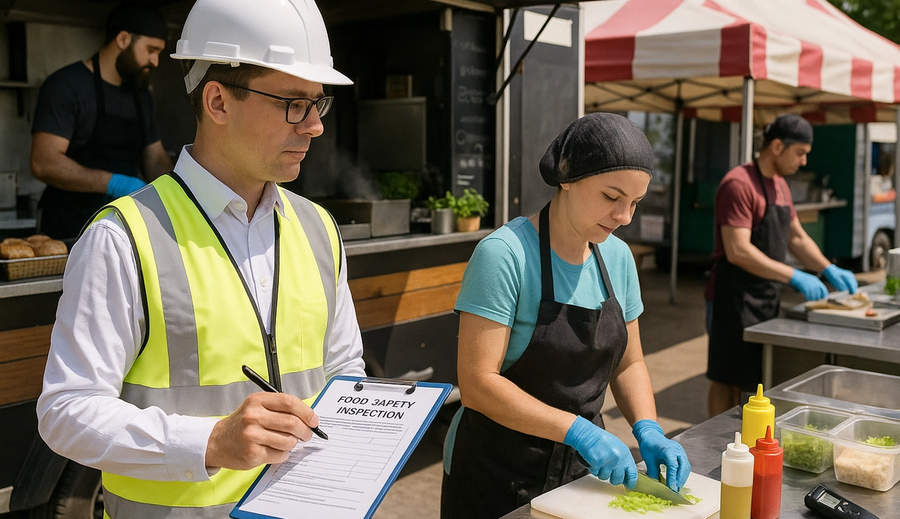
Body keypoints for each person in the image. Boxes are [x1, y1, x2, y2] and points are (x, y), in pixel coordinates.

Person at [37, 0, 364, 516]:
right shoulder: (123, 237)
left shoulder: (318, 228)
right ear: (217, 101)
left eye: (317, 104)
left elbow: (345, 372)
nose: (314, 126)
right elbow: (66, 411)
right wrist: (210, 442)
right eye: (293, 104)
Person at [441, 113, 691, 519]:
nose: (625, 217)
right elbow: (477, 384)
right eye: (611, 197)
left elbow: (629, 363)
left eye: (635, 203)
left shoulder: (618, 258)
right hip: (495, 474)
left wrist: (648, 427)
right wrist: (577, 430)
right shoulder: (504, 255)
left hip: (582, 474)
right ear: (567, 177)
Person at [705, 113, 858, 416]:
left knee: (751, 379)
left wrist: (827, 269)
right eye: (800, 152)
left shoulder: (780, 186)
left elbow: (796, 237)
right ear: (777, 147)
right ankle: (716, 437)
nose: (803, 161)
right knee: (726, 378)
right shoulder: (738, 184)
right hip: (733, 298)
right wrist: (794, 276)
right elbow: (738, 250)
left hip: (765, 296)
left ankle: (741, 433)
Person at [30, 2, 173, 241]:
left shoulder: (141, 96)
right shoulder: (66, 86)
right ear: (123, 39)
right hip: (70, 228)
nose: (155, 61)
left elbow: (155, 158)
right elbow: (43, 162)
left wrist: (179, 190)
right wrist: (115, 183)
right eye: (151, 50)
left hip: (125, 226)